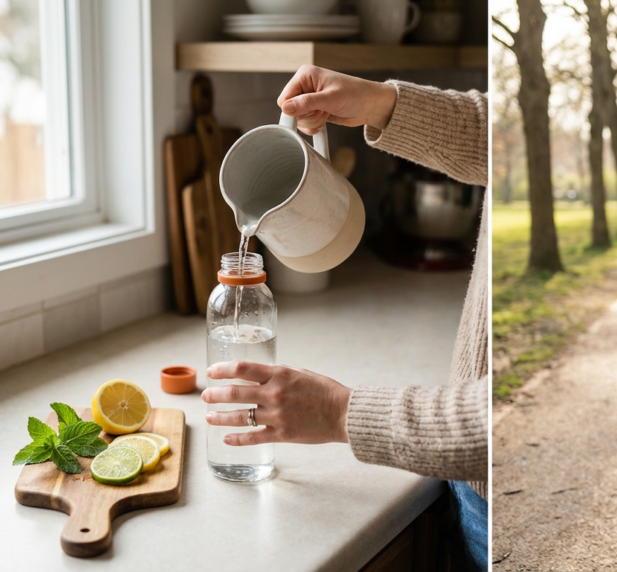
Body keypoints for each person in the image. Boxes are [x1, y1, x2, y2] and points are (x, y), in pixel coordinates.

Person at [201, 65, 488, 571]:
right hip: (468, 480)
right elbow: (501, 130)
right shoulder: (228, 298)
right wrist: (382, 103)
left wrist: (339, 412)